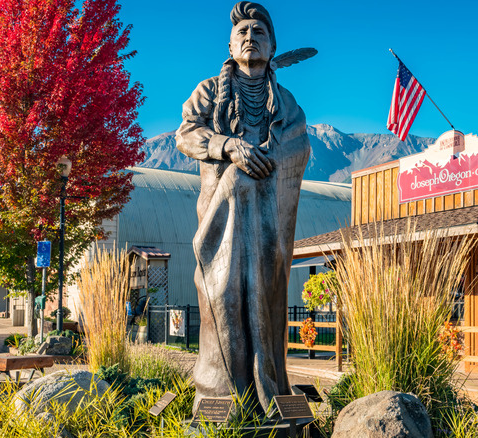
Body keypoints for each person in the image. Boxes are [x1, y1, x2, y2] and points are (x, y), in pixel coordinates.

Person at [175, 2, 310, 416]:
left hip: (268, 221)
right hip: (221, 216)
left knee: (266, 296)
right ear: (230, 46)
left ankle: (269, 389)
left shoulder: (286, 103)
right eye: (243, 33)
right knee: (222, 293)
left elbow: (298, 147)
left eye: (260, 32)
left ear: (272, 47)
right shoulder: (209, 92)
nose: (251, 37)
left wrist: (262, 161)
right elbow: (186, 134)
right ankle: (221, 393)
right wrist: (227, 147)